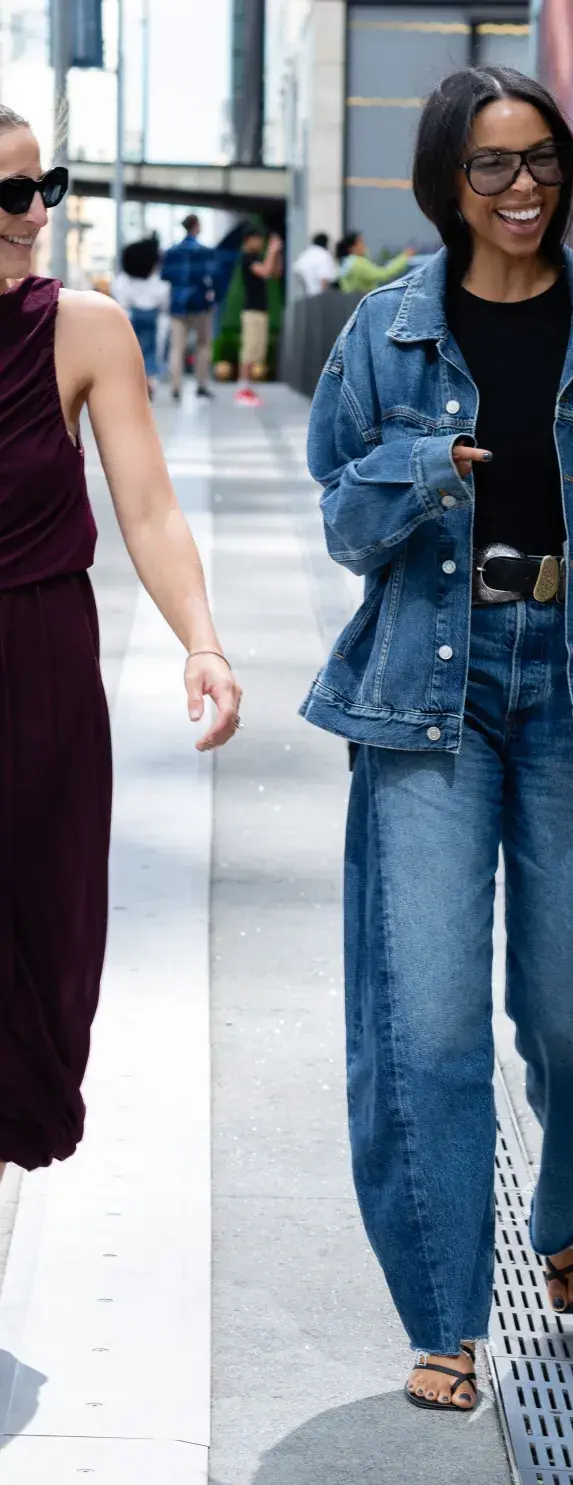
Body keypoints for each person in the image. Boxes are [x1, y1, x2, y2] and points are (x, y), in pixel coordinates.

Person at [303, 67, 573, 1411]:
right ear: (445, 182)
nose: (521, 191)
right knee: (423, 1021)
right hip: (424, 696)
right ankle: (444, 1307)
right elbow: (341, 517)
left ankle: (567, 1205)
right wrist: (418, 472)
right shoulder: (383, 338)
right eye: (491, 167)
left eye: (541, 161)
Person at [0, 104, 242, 1183]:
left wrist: (203, 642)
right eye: (13, 194)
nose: (36, 212)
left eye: (42, 185)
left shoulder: (85, 327)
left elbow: (147, 507)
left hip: (39, 672)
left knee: (41, 965)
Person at [160, 212, 215, 404]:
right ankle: (201, 385)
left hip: (178, 304)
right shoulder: (204, 252)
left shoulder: (172, 252)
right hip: (200, 304)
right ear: (196, 226)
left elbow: (165, 275)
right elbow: (212, 277)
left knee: (177, 348)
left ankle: (176, 388)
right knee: (203, 345)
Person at [112, 237, 170, 399]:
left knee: (130, 353)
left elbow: (121, 300)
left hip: (129, 319)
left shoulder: (123, 281)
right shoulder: (159, 284)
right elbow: (164, 303)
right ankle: (149, 381)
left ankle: (134, 384)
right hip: (152, 320)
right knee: (150, 353)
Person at [235, 224, 283, 409]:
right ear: (249, 239)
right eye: (258, 238)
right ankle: (242, 389)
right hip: (251, 310)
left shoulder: (256, 257)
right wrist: (272, 250)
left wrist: (277, 253)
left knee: (257, 350)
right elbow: (264, 272)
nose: (261, 242)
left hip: (260, 310)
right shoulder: (247, 257)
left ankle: (248, 389)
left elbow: (275, 273)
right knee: (249, 348)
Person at [335, 231, 412, 294]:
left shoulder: (345, 263)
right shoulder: (359, 263)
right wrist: (404, 257)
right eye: (361, 243)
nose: (364, 246)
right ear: (352, 248)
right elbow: (383, 274)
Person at [293, 231, 337, 296]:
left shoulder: (305, 254)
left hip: (303, 297)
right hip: (317, 296)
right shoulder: (324, 255)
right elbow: (324, 279)